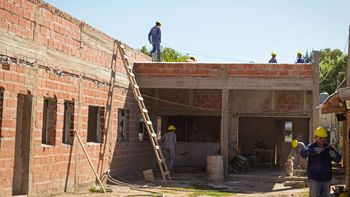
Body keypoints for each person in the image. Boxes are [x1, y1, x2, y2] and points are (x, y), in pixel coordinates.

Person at [300, 127, 341, 197]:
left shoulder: (328, 148)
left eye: (324, 138)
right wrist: (314, 150)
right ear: (316, 137)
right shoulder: (311, 146)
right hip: (314, 179)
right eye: (320, 138)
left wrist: (334, 155)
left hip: (326, 179)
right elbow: (303, 154)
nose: (323, 140)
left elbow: (339, 159)